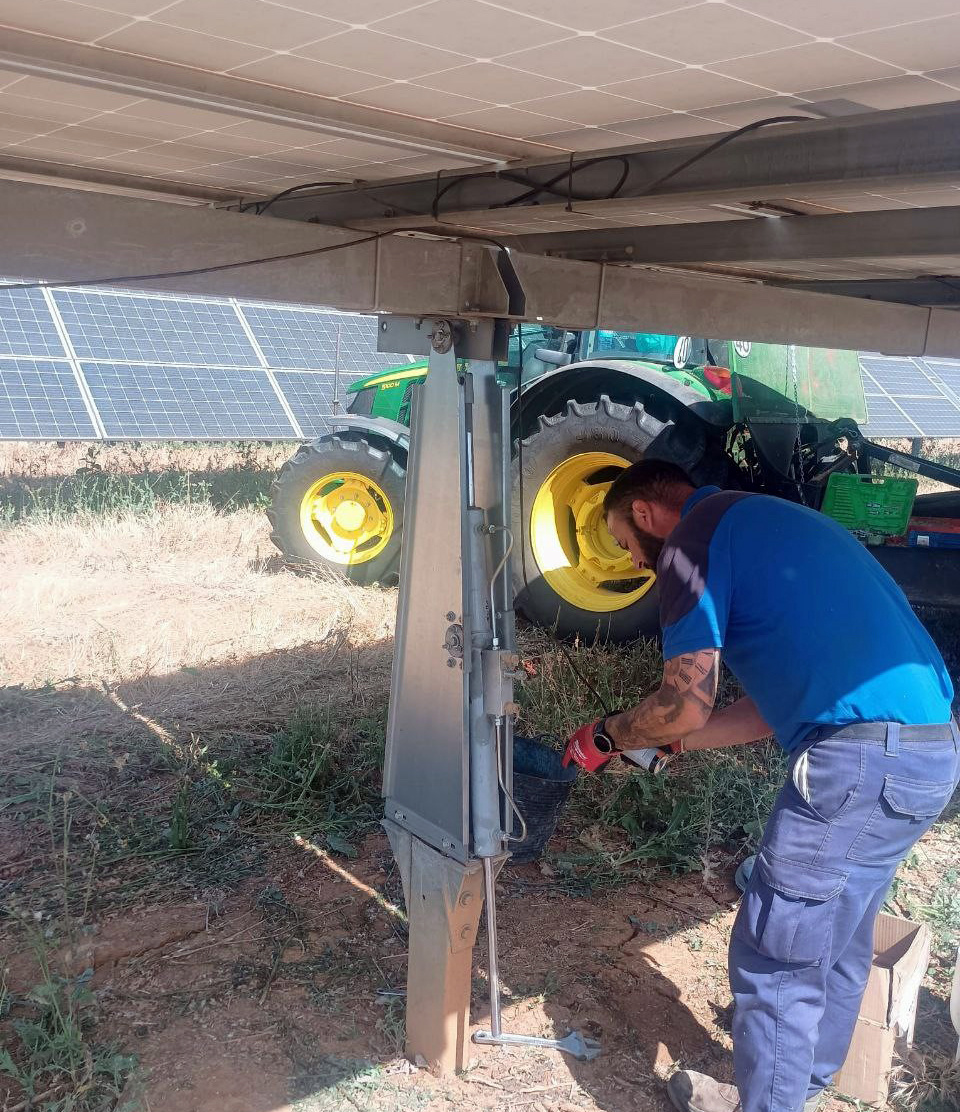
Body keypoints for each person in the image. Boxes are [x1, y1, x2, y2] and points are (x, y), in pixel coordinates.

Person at [562, 458, 958, 1112]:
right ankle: (792, 1089)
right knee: (838, 934)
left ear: (644, 513)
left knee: (776, 955)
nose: (637, 565)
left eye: (628, 546)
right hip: (927, 751)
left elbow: (683, 699)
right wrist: (676, 739)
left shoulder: (691, 543)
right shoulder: (761, 520)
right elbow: (754, 717)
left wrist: (607, 734)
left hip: (861, 763)